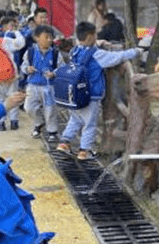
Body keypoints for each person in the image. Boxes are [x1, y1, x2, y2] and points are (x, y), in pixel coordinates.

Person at [56, 22, 142, 160]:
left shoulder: (75, 51)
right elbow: (117, 57)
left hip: (73, 95)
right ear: (90, 36)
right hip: (90, 96)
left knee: (75, 119)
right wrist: (136, 51)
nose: (96, 36)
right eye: (95, 34)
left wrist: (98, 43)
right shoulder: (97, 54)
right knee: (90, 124)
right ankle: (85, 151)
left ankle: (64, 142)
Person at [21, 25, 60, 142]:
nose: (49, 40)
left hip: (49, 86)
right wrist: (28, 69)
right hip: (32, 85)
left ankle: (52, 131)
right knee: (29, 107)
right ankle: (38, 123)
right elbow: (23, 66)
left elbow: (61, 67)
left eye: (51, 37)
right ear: (37, 38)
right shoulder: (30, 52)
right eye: (46, 37)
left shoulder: (55, 53)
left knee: (50, 109)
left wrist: (54, 73)